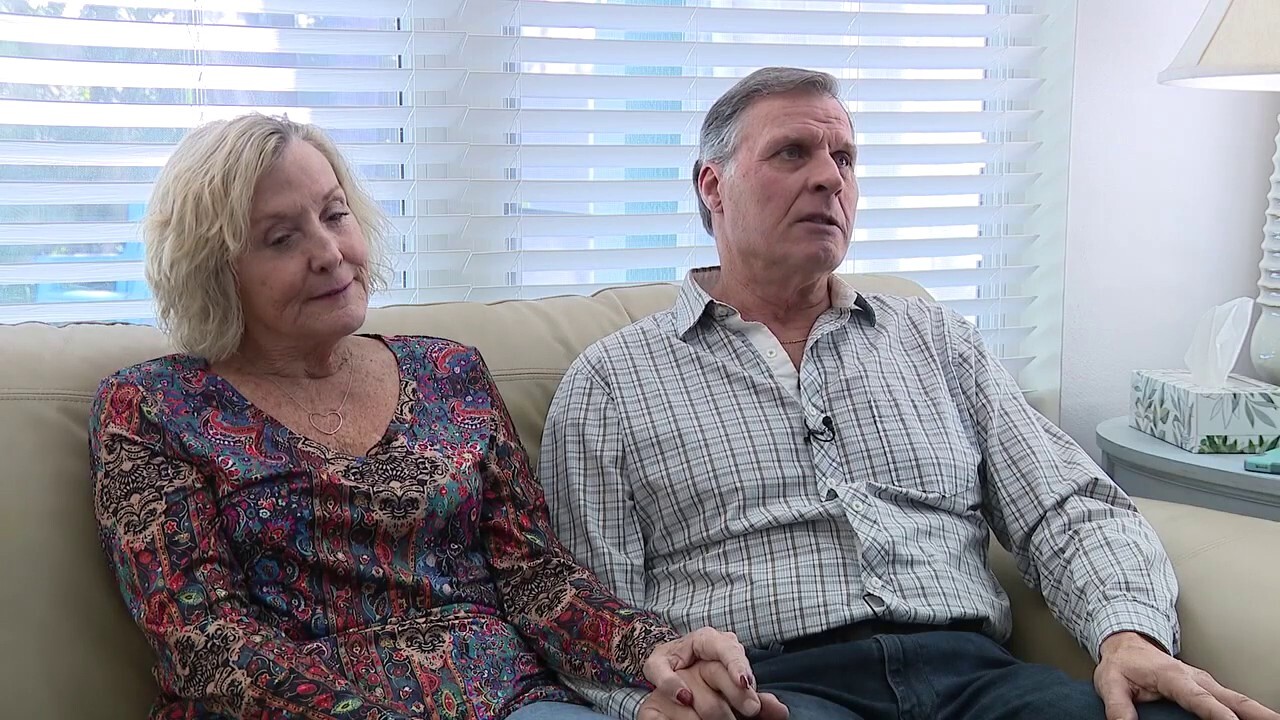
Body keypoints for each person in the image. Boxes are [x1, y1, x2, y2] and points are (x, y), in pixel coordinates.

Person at [540, 67, 1280, 720]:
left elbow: (1069, 507)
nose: (830, 178)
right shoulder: (611, 383)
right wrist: (660, 696)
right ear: (713, 186)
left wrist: (1128, 635)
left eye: (844, 158)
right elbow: (587, 611)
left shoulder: (936, 340)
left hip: (977, 679)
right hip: (777, 689)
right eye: (793, 153)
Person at [89, 114, 781, 720]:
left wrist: (654, 648)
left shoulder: (450, 372)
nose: (329, 254)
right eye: (280, 239)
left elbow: (534, 576)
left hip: (511, 701)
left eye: (335, 215)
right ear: (215, 270)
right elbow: (204, 645)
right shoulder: (151, 409)